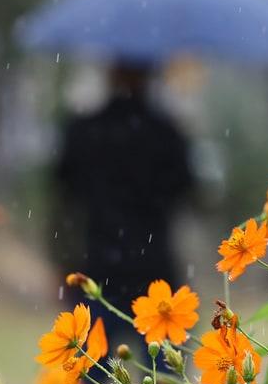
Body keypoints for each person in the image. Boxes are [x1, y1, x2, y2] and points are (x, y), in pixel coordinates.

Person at [51, 61, 195, 353]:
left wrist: (61, 259)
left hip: (98, 263)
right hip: (154, 267)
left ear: (110, 73)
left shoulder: (84, 130)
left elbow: (64, 192)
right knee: (166, 381)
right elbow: (187, 190)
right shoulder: (166, 132)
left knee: (90, 375)